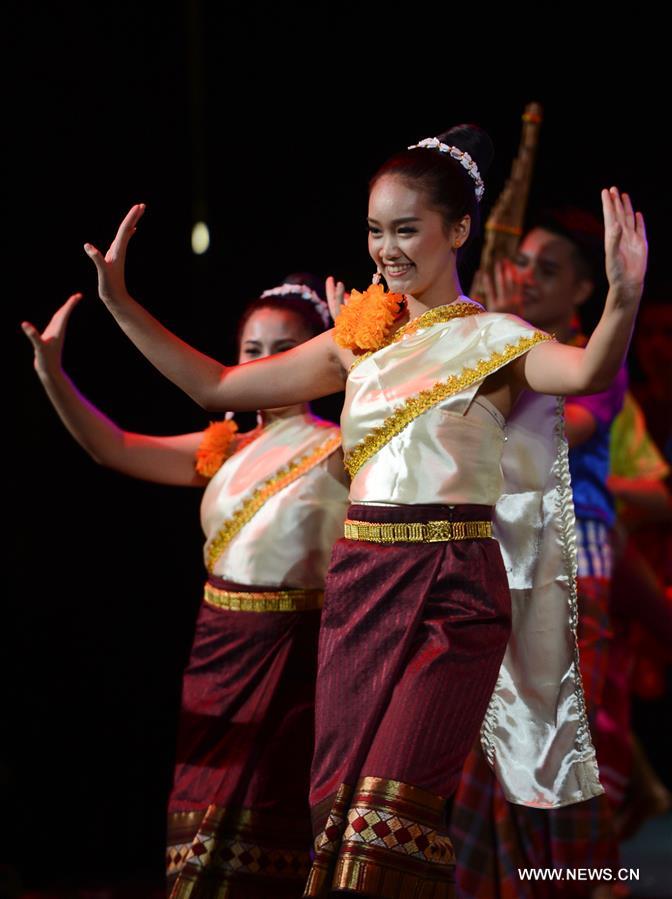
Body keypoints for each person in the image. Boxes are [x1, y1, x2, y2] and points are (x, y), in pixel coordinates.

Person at [75, 123, 647, 898]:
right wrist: (120, 302)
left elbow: (586, 370)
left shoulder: (497, 338)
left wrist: (623, 295)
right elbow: (214, 386)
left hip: (453, 593)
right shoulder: (357, 342)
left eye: (406, 229)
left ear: (459, 231)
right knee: (341, 837)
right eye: (376, 229)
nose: (387, 248)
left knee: (389, 830)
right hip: (360, 588)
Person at [21, 278, 350, 898]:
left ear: (317, 354)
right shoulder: (223, 450)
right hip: (218, 651)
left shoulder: (341, 447)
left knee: (271, 809)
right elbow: (114, 448)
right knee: (201, 820)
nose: (266, 363)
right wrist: (52, 377)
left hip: (293, 656)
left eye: (286, 348)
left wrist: (360, 358)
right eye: (252, 350)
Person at [450, 210, 630, 897]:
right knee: (492, 749)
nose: (525, 277)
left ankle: (590, 882)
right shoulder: (504, 345)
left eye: (546, 270)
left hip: (575, 565)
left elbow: (552, 433)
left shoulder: (592, 359)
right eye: (522, 263)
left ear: (586, 289)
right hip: (502, 560)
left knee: (551, 755)